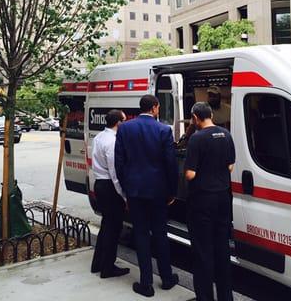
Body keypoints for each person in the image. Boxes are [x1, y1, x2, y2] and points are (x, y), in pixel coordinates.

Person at [115, 95, 179, 298]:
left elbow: (119, 161)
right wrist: (172, 191)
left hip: (135, 191)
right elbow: (171, 164)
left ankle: (146, 283)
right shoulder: (163, 130)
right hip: (158, 191)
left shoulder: (125, 128)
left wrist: (126, 189)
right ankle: (167, 278)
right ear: (154, 108)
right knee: (160, 234)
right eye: (158, 107)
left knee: (141, 234)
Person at [184, 102, 236, 301]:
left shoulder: (197, 139)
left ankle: (205, 297)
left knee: (203, 252)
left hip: (202, 201)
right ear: (211, 115)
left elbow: (190, 174)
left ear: (195, 118)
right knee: (222, 249)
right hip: (223, 198)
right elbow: (230, 166)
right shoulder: (226, 134)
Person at [90, 109, 129, 279]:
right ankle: (108, 267)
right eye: (124, 120)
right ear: (118, 123)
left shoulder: (99, 137)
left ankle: (98, 263)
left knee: (106, 225)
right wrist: (123, 195)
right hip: (110, 186)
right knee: (113, 228)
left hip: (100, 183)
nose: (125, 123)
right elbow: (115, 172)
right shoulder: (112, 142)